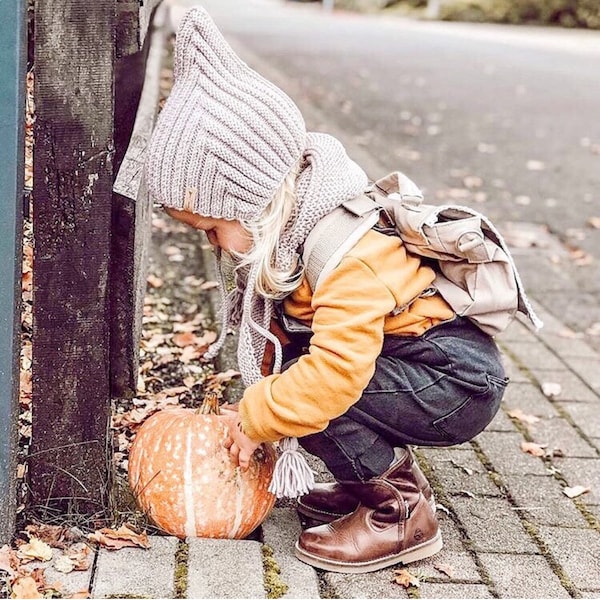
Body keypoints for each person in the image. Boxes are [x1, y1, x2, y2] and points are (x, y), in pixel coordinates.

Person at [145, 6, 508, 574]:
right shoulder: (300, 230)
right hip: (418, 363)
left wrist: (256, 415)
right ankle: (363, 480)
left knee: (308, 390)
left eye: (213, 228)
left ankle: (402, 513)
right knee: (296, 379)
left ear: (256, 200)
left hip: (453, 381)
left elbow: (336, 376)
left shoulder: (347, 255)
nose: (216, 245)